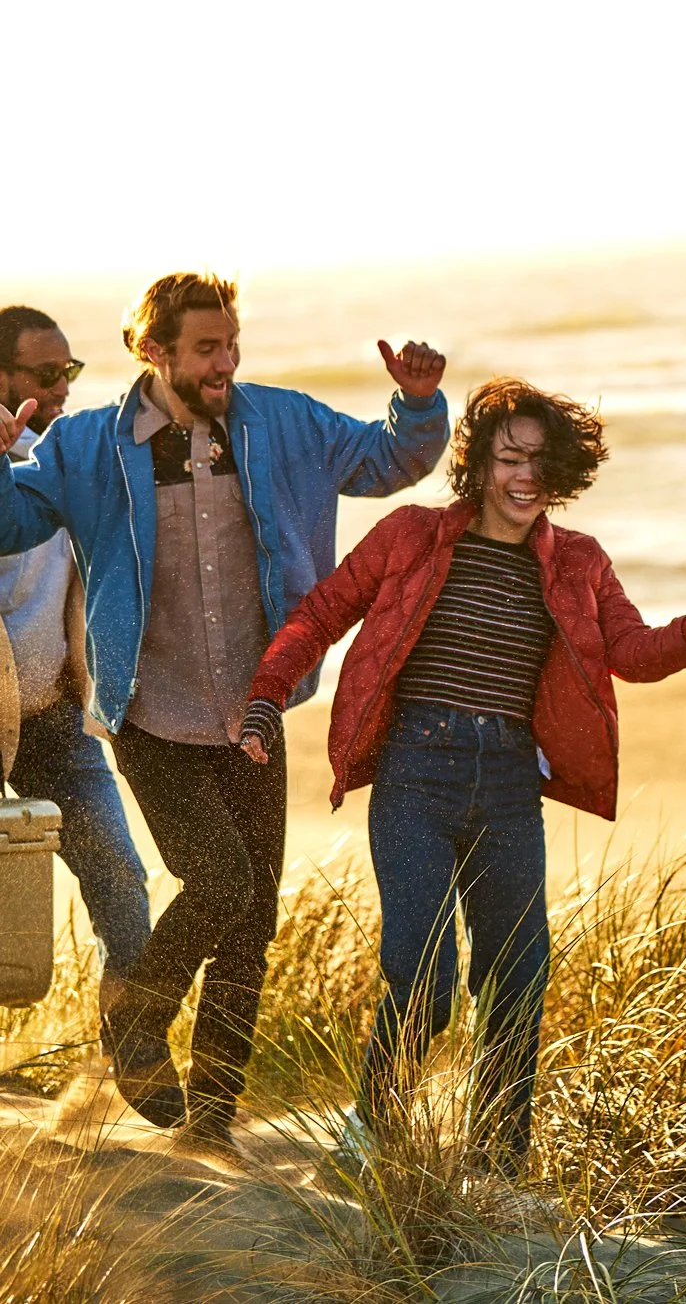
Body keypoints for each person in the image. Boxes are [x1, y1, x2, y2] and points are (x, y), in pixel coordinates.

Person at [0, 273, 450, 1152]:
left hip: (255, 709)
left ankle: (212, 1117)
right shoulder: (91, 444)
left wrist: (418, 403)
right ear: (154, 349)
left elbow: (385, 460)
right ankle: (137, 1021)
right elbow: (9, 519)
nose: (225, 363)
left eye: (232, 344)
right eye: (206, 348)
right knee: (220, 883)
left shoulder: (281, 422)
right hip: (150, 710)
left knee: (253, 920)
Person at [239, 377, 686, 1174]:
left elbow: (633, 654)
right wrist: (267, 697)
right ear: (478, 463)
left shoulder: (577, 562)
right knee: (423, 976)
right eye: (509, 457)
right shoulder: (411, 535)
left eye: (540, 459)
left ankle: (496, 1163)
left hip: (507, 784)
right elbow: (321, 613)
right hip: (415, 776)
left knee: (517, 978)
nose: (525, 475)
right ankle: (374, 1128)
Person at [0, 306, 151, 1020]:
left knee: (121, 877)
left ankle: (127, 1057)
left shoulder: (60, 464)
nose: (62, 387)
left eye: (69, 371)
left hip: (53, 721)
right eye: (45, 374)